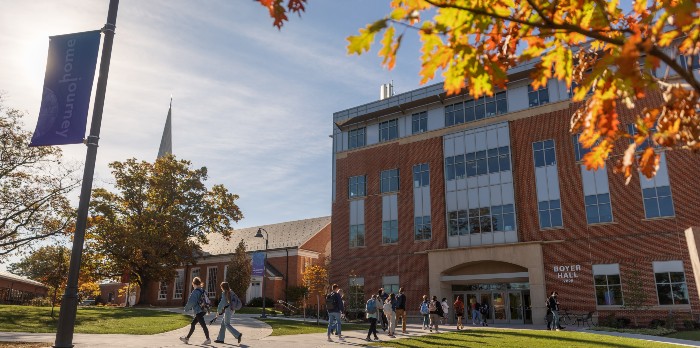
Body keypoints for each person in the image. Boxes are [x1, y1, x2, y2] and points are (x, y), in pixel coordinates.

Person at [179, 277, 211, 345]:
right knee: (193, 324)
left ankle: (208, 339)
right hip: (203, 309)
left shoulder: (195, 292)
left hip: (198, 311)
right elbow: (207, 300)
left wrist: (186, 309)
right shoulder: (203, 290)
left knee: (203, 325)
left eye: (193, 284)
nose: (192, 285)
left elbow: (191, 302)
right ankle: (186, 339)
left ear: (193, 283)